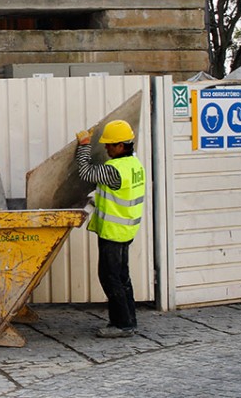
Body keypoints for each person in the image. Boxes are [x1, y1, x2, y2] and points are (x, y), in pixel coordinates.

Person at [76, 119, 146, 339]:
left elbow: (86, 173)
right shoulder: (134, 164)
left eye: (109, 145)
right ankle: (128, 320)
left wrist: (84, 145)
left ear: (121, 145)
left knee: (110, 277)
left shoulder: (115, 170)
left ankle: (122, 325)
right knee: (122, 276)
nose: (105, 148)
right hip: (126, 229)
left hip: (114, 231)